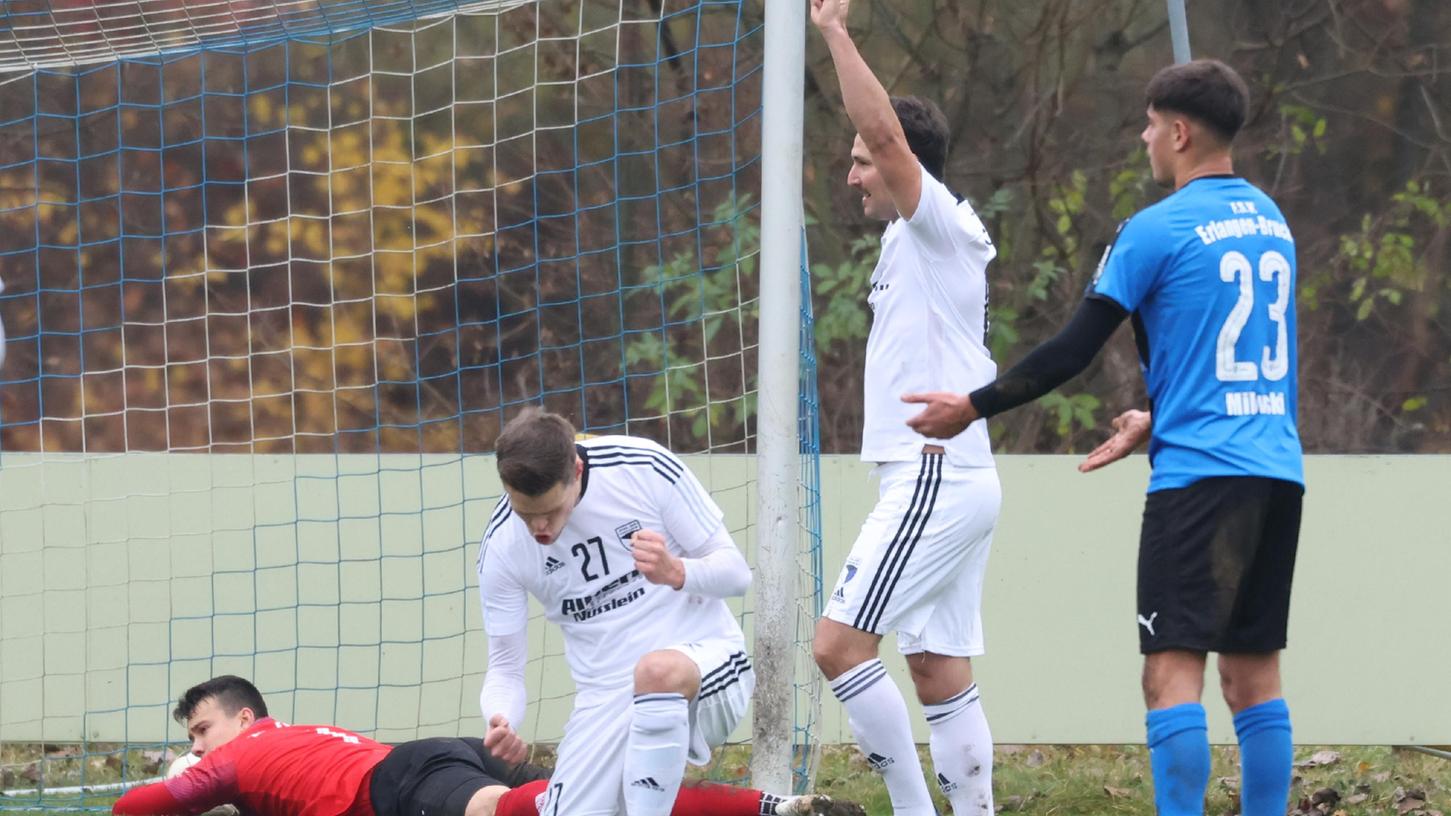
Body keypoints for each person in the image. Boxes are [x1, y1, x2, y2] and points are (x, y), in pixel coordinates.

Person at [904, 59, 1303, 816]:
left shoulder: (1155, 229)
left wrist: (973, 406)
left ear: (1179, 132)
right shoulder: (1270, 222)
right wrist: (1161, 418)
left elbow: (1072, 349)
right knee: (1254, 676)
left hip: (1198, 485)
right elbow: (1248, 355)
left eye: (1151, 125)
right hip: (1274, 470)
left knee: (1169, 677)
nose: (1144, 137)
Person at [808, 0, 1004, 813]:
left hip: (935, 473)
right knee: (937, 669)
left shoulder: (940, 228)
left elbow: (887, 138)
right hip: (948, 476)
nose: (852, 174)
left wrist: (834, 34)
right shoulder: (901, 240)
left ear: (899, 165)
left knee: (837, 646)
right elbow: (885, 146)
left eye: (860, 161)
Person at [477, 409, 758, 816]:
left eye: (551, 511)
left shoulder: (641, 466)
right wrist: (501, 718)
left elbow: (736, 575)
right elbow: (504, 667)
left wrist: (676, 571)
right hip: (604, 702)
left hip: (707, 664)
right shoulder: (502, 546)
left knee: (655, 671)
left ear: (575, 469)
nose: (540, 527)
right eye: (526, 515)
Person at [113, 675, 853, 816]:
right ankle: (776, 806)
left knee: (550, 813)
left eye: (201, 730)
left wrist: (188, 773)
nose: (198, 746)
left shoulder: (237, 759)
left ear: (244, 720)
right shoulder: (297, 740)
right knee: (617, 803)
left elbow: (137, 808)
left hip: (408, 783)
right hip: (438, 754)